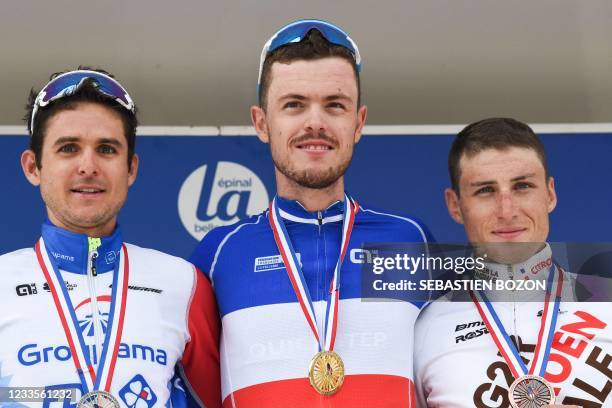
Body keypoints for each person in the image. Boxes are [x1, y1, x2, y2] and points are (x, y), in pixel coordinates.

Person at [189, 19, 432, 407]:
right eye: (294, 105)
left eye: (335, 105)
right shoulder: (218, 254)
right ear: (261, 122)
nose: (315, 122)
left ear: (359, 122)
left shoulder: (411, 240)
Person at [0, 68, 221, 407]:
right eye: (69, 148)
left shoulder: (184, 285)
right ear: (33, 167)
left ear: (131, 168)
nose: (88, 166)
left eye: (106, 149)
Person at [414, 118, 611, 407]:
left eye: (522, 186)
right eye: (485, 190)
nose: (507, 210)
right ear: (455, 205)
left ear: (550, 194)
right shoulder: (423, 328)